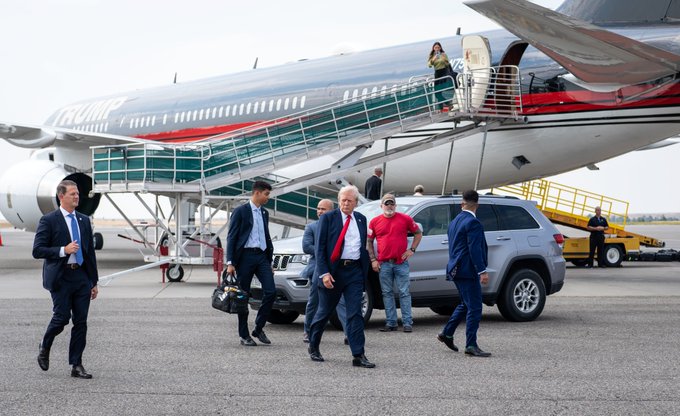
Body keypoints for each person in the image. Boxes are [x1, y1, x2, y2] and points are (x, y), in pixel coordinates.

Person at [33, 180, 99, 379]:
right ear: (61, 196)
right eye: (72, 194)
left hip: (80, 276)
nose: (77, 197)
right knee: (61, 318)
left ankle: (76, 364)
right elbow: (38, 250)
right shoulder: (49, 220)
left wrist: (93, 282)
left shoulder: (84, 220)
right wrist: (64, 250)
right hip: (61, 277)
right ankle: (45, 345)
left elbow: (89, 253)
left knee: (81, 322)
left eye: (77, 193)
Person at [307, 185, 375, 368]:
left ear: (355, 202)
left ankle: (358, 355)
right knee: (324, 312)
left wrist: (363, 273)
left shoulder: (361, 219)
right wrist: (324, 273)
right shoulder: (329, 218)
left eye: (349, 200)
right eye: (343, 200)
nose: (346, 203)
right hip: (333, 272)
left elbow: (362, 248)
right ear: (339, 201)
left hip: (353, 272)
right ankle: (313, 346)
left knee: (355, 314)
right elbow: (320, 249)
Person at [437, 190, 491, 357]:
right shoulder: (473, 223)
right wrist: (482, 270)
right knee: (475, 307)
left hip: (455, 268)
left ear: (462, 203)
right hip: (467, 270)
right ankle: (471, 345)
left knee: (465, 303)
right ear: (477, 205)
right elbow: (474, 249)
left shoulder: (454, 221)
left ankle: (447, 333)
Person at [226, 180, 275, 346]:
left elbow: (265, 237)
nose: (268, 197)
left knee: (271, 291)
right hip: (245, 257)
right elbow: (232, 236)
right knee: (243, 297)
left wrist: (269, 262)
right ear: (257, 193)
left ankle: (259, 327)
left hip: (261, 257)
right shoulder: (241, 211)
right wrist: (230, 262)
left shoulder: (265, 213)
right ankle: (244, 335)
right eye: (266, 194)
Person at [367, 194, 422, 332]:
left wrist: (412, 250)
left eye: (392, 204)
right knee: (386, 293)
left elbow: (418, 233)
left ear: (395, 206)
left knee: (404, 292)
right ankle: (391, 322)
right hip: (384, 263)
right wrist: (373, 259)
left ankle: (407, 322)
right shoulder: (374, 222)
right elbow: (368, 241)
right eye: (387, 204)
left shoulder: (405, 219)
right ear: (381, 206)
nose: (389, 206)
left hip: (401, 263)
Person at [302, 199, 348, 343]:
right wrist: (324, 252)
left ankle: (348, 333)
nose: (320, 211)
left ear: (332, 211)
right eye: (318, 208)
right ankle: (308, 331)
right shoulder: (311, 227)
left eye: (323, 209)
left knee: (341, 302)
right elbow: (306, 246)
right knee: (314, 302)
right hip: (318, 268)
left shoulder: (339, 226)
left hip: (337, 269)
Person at [427, 41, 454, 110]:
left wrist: (443, 58)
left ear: (440, 48)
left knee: (442, 91)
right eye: (435, 47)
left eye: (438, 47)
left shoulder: (443, 54)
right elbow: (429, 65)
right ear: (433, 48)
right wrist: (434, 58)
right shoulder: (432, 56)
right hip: (437, 73)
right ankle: (447, 105)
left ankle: (444, 108)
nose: (437, 49)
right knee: (437, 93)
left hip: (444, 72)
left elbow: (447, 63)